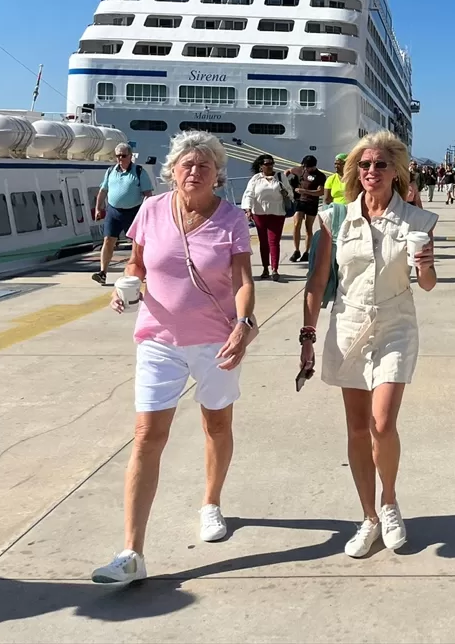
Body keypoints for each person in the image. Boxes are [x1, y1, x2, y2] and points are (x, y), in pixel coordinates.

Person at [92, 131, 260, 584]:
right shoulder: (150, 210)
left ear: (217, 173)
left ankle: (211, 503)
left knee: (216, 425)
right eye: (187, 164)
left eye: (205, 165)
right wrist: (125, 286)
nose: (195, 171)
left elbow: (243, 281)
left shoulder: (231, 219)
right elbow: (136, 264)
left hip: (215, 340)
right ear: (173, 170)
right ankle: (132, 553)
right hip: (158, 339)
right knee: (147, 435)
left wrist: (243, 324)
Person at [302, 130, 437, 558]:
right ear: (355, 172)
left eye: (380, 164)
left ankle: (390, 502)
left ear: (396, 171)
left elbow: (428, 284)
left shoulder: (417, 221)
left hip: (395, 325)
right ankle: (369, 517)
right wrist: (307, 336)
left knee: (381, 424)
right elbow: (317, 281)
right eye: (364, 165)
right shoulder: (335, 217)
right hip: (349, 325)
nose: (371, 171)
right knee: (358, 428)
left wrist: (426, 266)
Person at [92, 144, 154, 285]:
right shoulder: (110, 171)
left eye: (123, 155)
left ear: (130, 156)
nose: (120, 158)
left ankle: (141, 270)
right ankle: (102, 273)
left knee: (137, 243)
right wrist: (98, 208)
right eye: (118, 156)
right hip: (113, 211)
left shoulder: (139, 171)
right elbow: (103, 190)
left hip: (133, 212)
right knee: (108, 240)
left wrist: (145, 212)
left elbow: (148, 194)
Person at [241, 154, 294, 281]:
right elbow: (249, 194)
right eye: (267, 164)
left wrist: (286, 193)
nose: (270, 166)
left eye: (271, 163)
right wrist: (248, 209)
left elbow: (291, 194)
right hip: (259, 214)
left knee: (274, 242)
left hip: (277, 213)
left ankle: (275, 269)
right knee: (263, 242)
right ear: (261, 166)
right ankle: (265, 268)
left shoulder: (280, 177)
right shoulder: (256, 179)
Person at [289, 155, 327, 262]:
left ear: (314, 166)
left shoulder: (320, 176)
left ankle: (306, 251)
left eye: (308, 167)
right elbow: (289, 170)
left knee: (308, 227)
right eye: (305, 166)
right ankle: (296, 250)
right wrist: (287, 179)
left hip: (311, 202)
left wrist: (305, 191)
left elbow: (320, 192)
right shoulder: (301, 170)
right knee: (297, 224)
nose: (306, 169)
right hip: (300, 201)